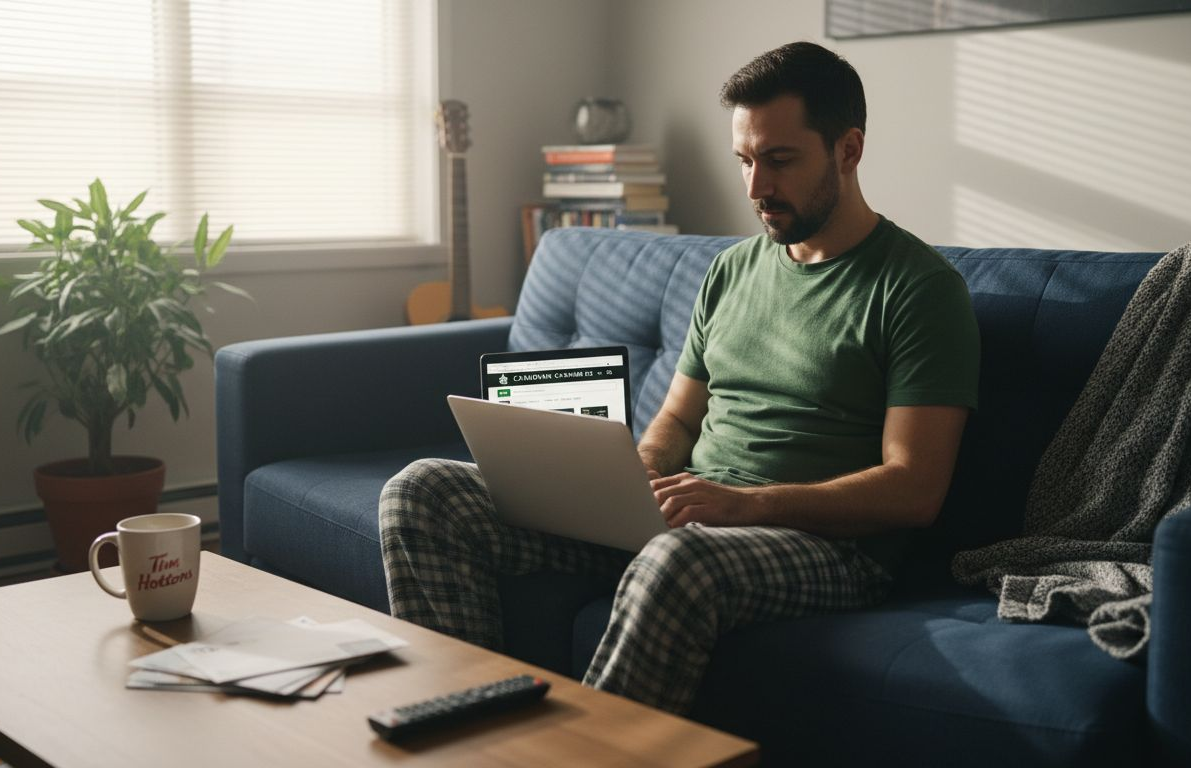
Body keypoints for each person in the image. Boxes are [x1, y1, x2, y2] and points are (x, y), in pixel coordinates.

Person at [379, 41, 980, 715]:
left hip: (826, 547)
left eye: (780, 161)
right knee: (423, 490)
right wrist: (630, 480)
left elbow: (914, 489)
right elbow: (679, 419)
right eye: (746, 161)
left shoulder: (920, 289)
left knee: (677, 566)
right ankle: (468, 722)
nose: (756, 188)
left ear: (848, 149)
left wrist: (745, 504)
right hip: (688, 520)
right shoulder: (732, 270)